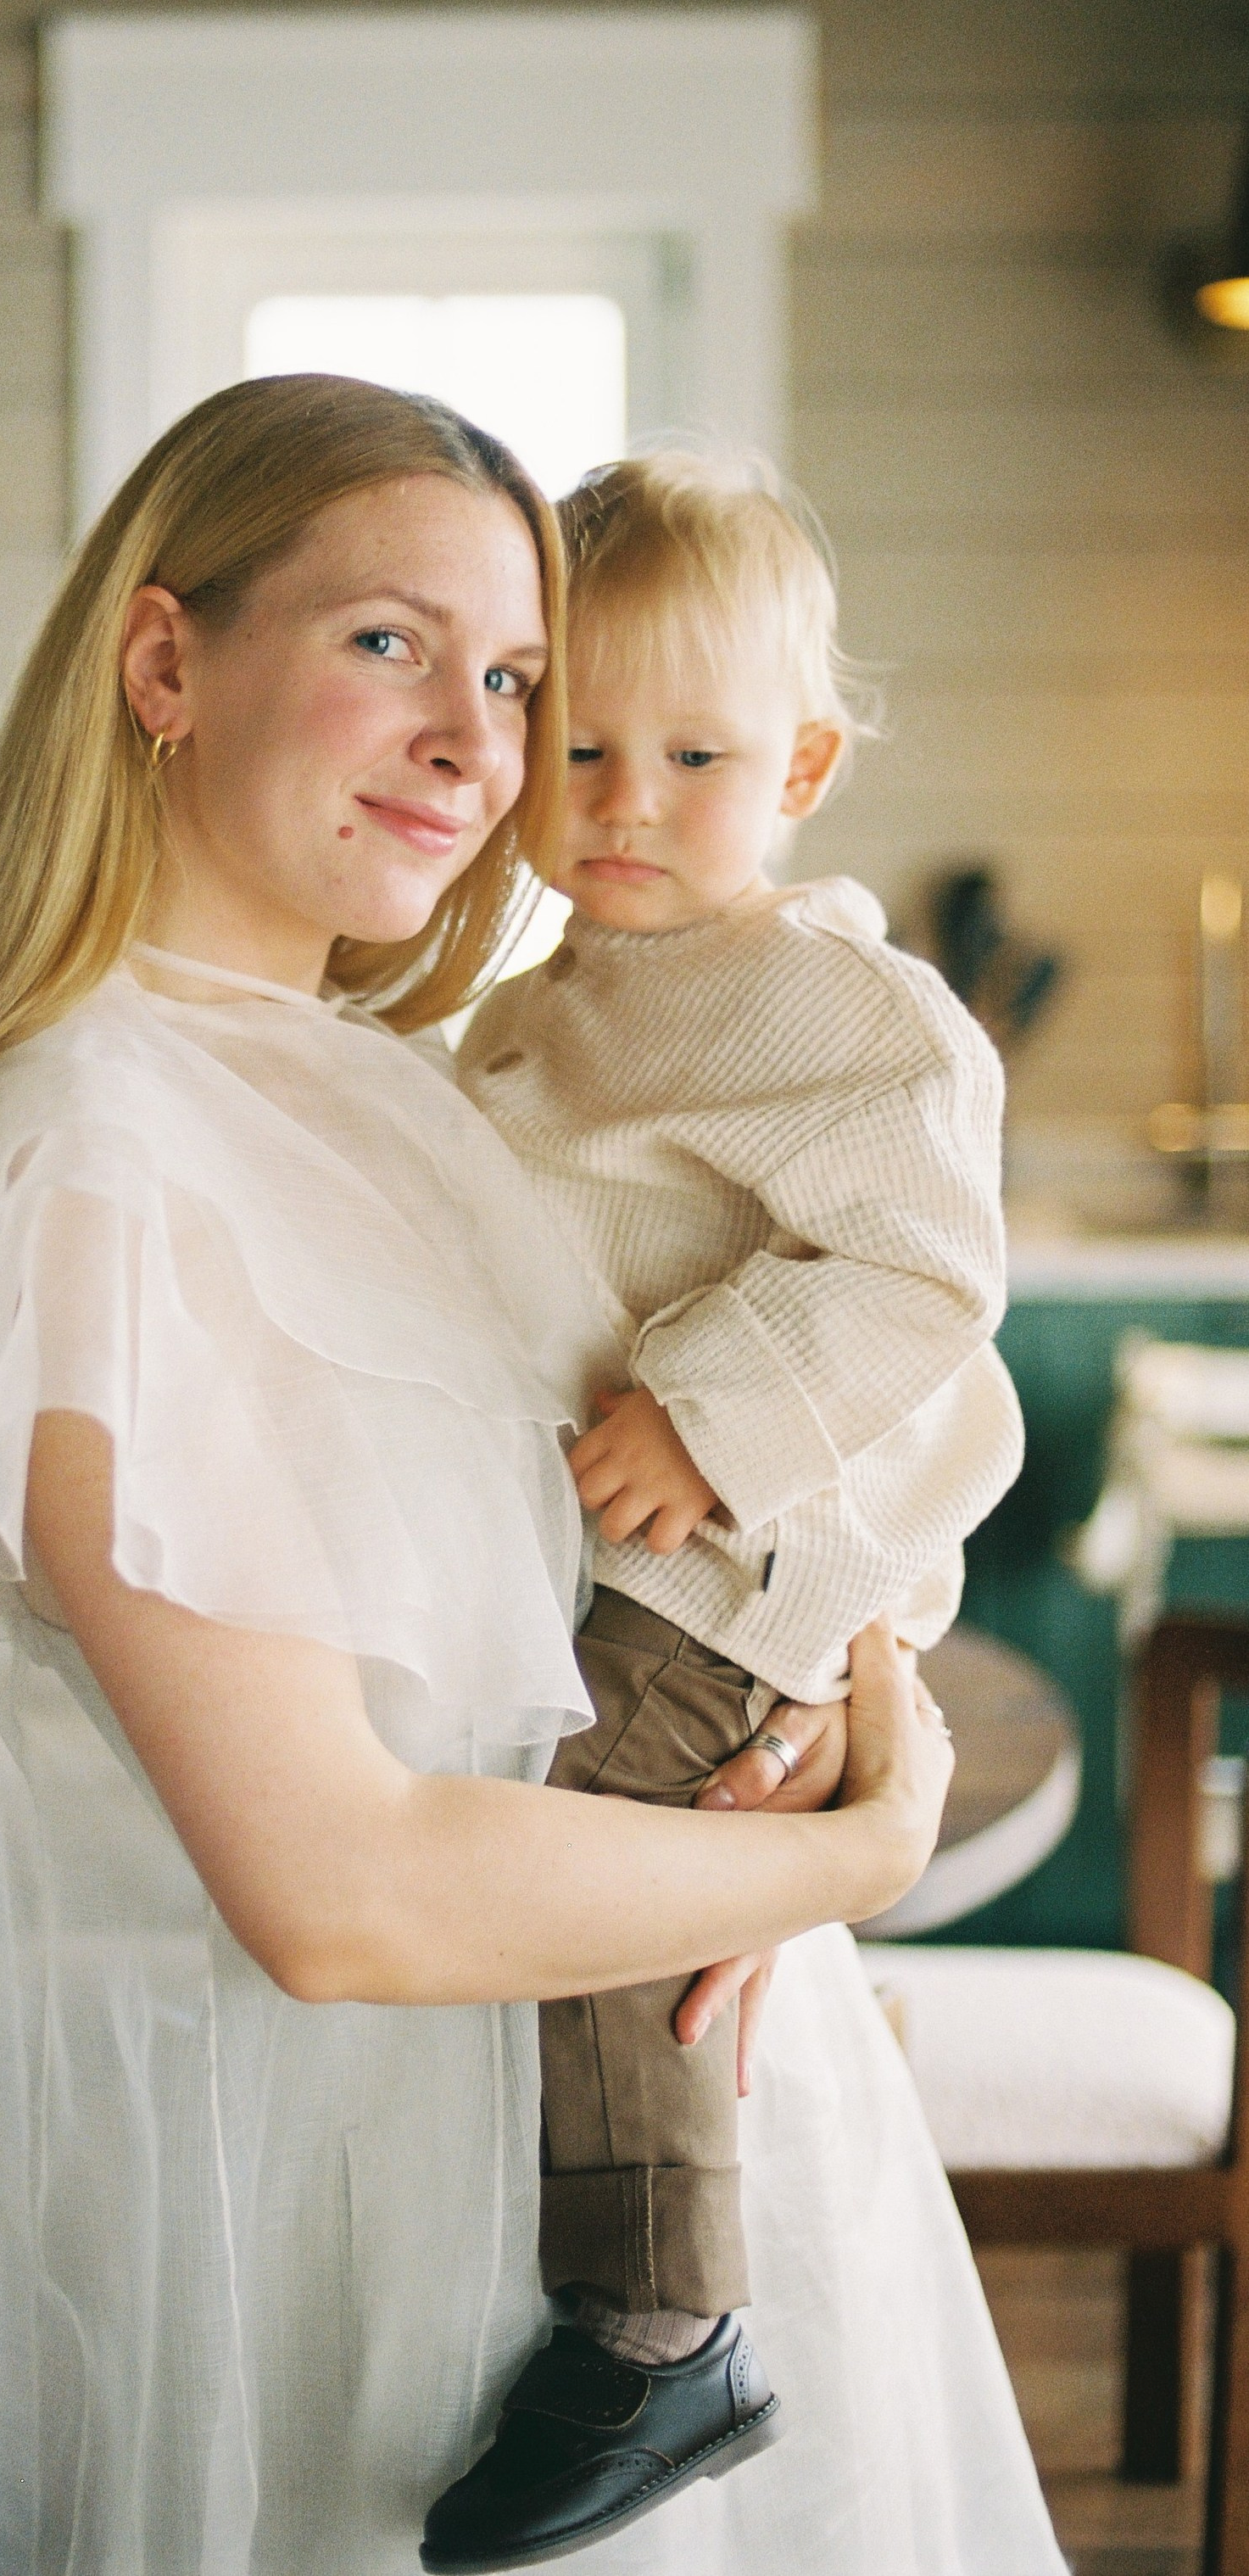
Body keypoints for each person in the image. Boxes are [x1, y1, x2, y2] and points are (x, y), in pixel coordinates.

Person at [0, 377, 1057, 2576]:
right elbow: (338, 1890)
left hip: (669, 2116)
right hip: (395, 2236)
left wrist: (843, 1667)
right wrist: (860, 1845)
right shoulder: (90, 1153)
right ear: (162, 662)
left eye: (516, 677)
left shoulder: (406, 1087)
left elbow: (778, 1432)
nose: (473, 740)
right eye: (387, 643)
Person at [430, 455, 1027, 2570]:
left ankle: (661, 2319)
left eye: (692, 757)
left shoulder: (843, 1009)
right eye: (578, 748)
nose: (624, 802)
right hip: (588, 1554)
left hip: (727, 1563)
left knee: (606, 1841)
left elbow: (925, 1274)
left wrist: (709, 1415)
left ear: (802, 765)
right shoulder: (540, 1004)